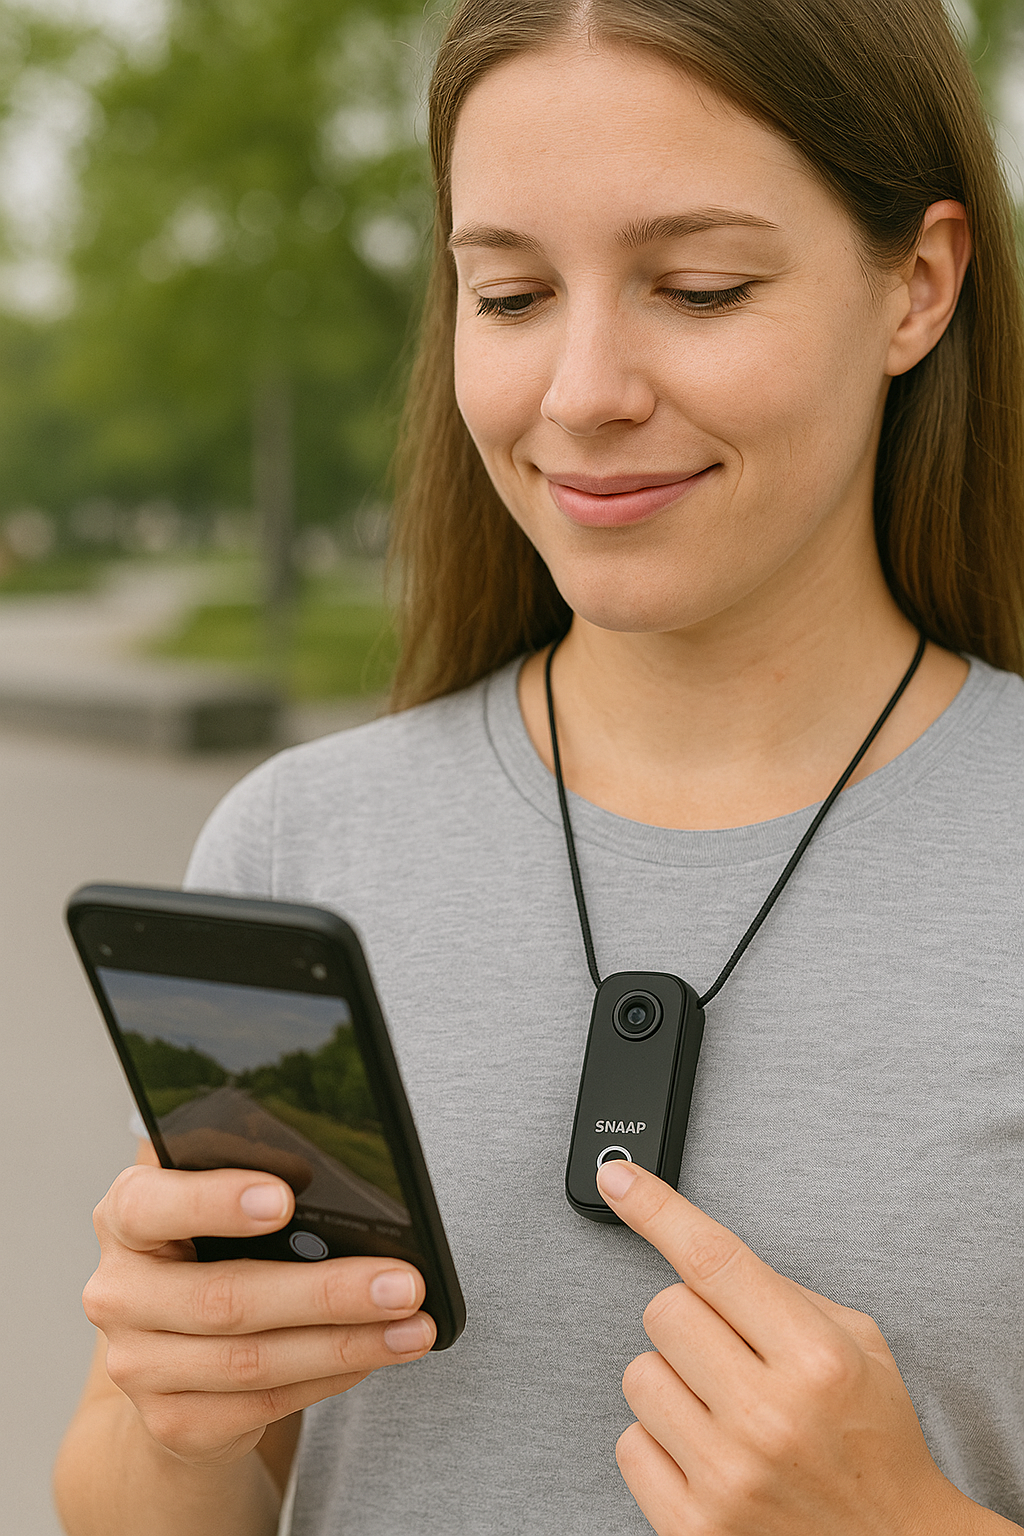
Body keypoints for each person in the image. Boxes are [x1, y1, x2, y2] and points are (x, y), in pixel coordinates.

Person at [54, 0, 1024, 1532]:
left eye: (698, 287)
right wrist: (167, 1422)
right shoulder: (303, 845)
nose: (581, 391)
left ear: (916, 286)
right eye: (508, 295)